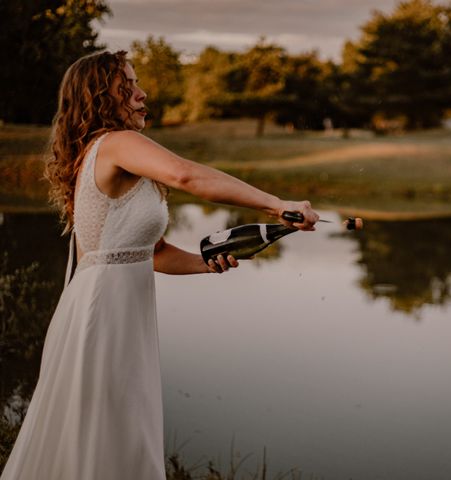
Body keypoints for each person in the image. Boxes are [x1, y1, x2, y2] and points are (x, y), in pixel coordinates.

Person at [0, 50, 318, 480]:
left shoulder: (111, 154)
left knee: (118, 434)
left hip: (117, 312)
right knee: (107, 435)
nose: (141, 93)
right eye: (127, 87)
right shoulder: (116, 143)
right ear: (100, 98)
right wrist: (277, 204)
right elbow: (187, 176)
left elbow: (150, 251)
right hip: (103, 315)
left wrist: (205, 265)